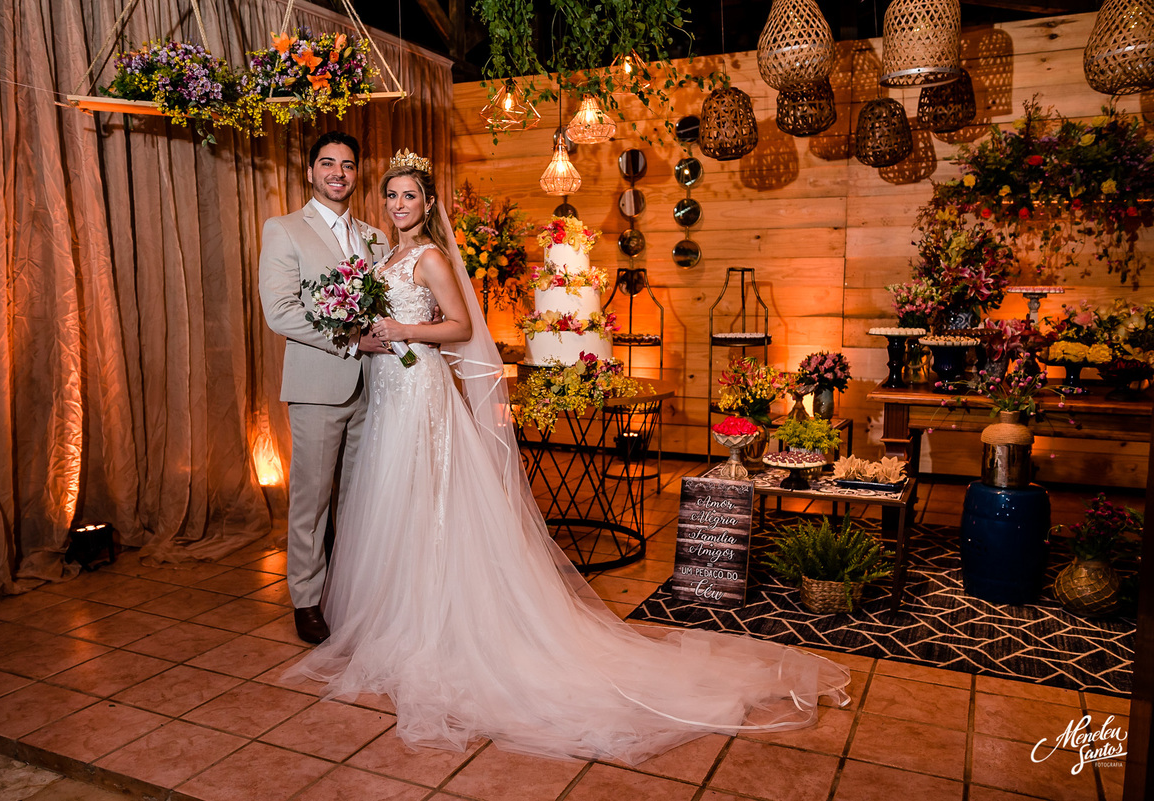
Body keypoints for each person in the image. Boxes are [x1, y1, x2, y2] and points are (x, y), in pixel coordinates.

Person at [287, 150, 851, 765]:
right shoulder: (384, 256)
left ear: (427, 204)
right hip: (386, 389)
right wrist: (370, 333)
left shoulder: (430, 257)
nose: (399, 206)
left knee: (430, 497)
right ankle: (388, 616)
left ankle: (439, 623)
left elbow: (457, 329)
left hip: (419, 388)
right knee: (392, 501)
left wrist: (406, 332)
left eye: (410, 197)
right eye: (392, 196)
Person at [258, 132, 390, 644]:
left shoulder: (377, 237)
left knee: (359, 497)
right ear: (311, 171)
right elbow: (281, 312)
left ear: (358, 175)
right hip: (318, 384)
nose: (339, 172)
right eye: (328, 163)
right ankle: (307, 599)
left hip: (376, 386)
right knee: (312, 500)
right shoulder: (285, 229)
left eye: (349, 165)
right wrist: (352, 343)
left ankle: (348, 590)